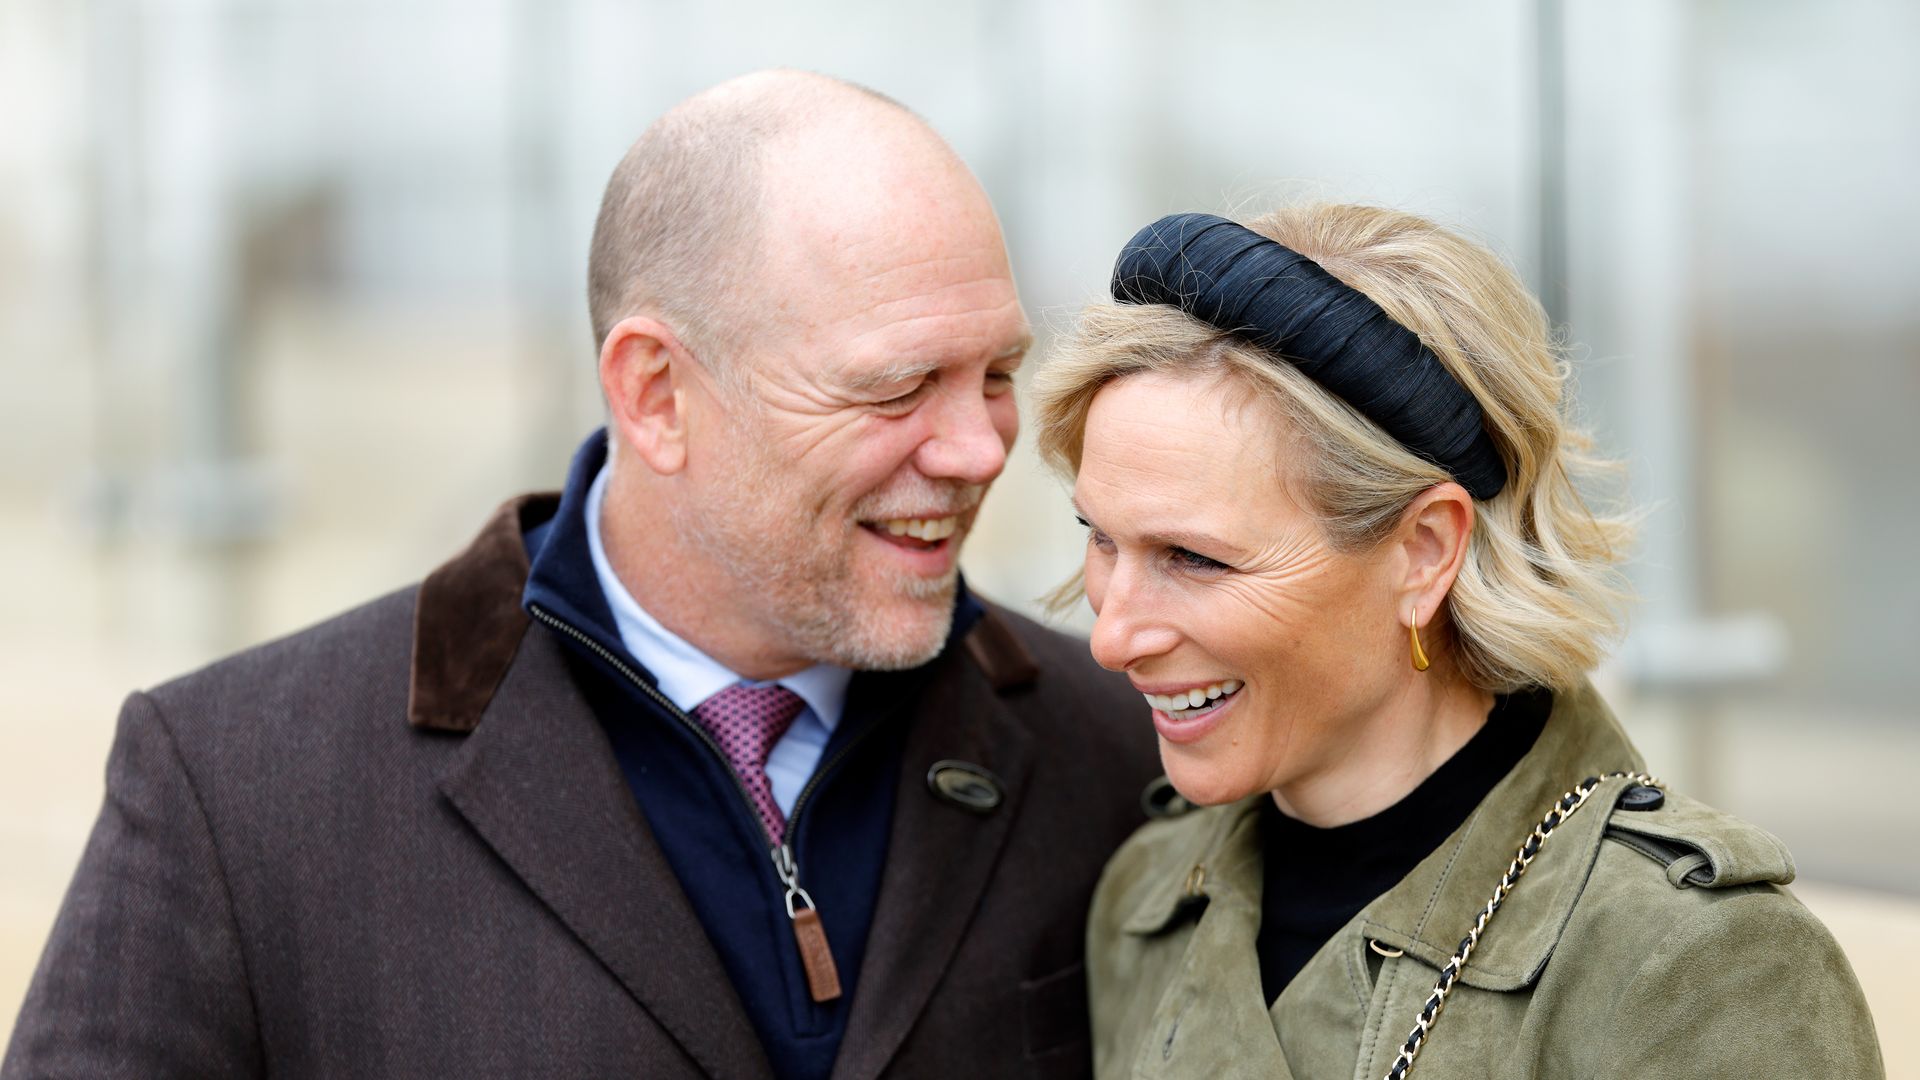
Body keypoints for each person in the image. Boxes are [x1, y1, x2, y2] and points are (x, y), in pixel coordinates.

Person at [3, 71, 1158, 1079]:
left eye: (998, 372)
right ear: (656, 393)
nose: (979, 448)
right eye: (899, 387)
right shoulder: (234, 789)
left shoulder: (1121, 750)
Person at [1032, 207, 1885, 1078]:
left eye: (1194, 558)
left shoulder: (1695, 966)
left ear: (1423, 551)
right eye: (1100, 537)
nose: (1112, 634)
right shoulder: (1145, 900)